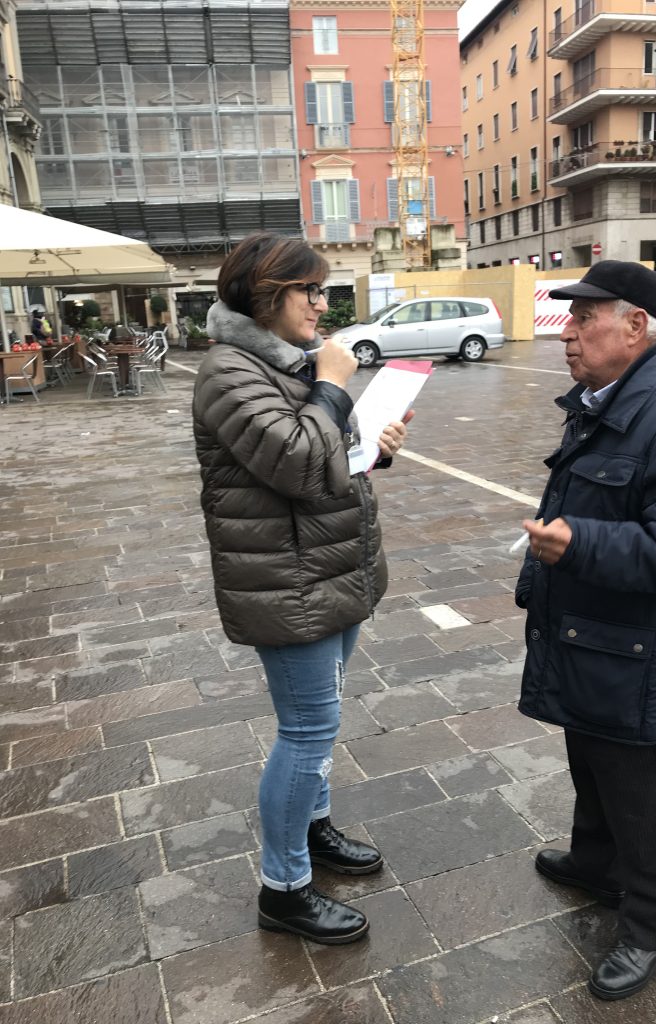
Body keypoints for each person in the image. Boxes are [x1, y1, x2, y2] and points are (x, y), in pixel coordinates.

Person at [514, 261, 656, 1001]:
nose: (567, 333)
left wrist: (579, 544)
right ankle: (594, 863)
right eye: (570, 319)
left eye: (584, 319)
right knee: (590, 759)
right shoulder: (599, 403)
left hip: (635, 655)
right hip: (589, 638)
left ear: (635, 326)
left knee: (641, 797)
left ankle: (647, 928)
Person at [192, 232, 411, 945]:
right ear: (265, 295)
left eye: (324, 291)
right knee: (307, 730)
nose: (322, 305)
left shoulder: (288, 361)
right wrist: (335, 386)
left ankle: (312, 829)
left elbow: (328, 460)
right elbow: (294, 462)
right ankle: (283, 890)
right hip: (287, 582)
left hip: (330, 568)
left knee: (323, 720)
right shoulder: (228, 371)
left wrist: (373, 449)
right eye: (308, 291)